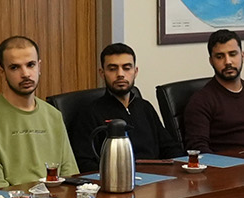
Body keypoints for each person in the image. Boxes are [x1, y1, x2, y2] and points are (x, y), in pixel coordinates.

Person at [0, 36, 78, 187]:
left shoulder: (54, 115)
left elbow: (70, 176)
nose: (25, 74)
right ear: (2, 72)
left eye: (31, 65)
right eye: (15, 67)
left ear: (39, 67)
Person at [67, 42, 182, 170]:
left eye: (126, 68)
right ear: (102, 73)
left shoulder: (145, 107)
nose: (120, 74)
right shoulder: (89, 113)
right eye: (112, 69)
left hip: (156, 177)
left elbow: (170, 148)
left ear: (135, 71)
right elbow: (85, 162)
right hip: (115, 179)